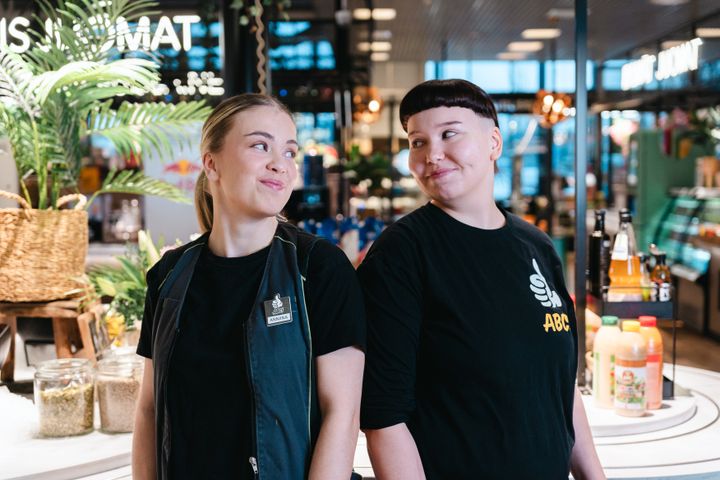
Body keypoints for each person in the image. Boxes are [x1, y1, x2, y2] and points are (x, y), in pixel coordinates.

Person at [358, 79, 605, 480]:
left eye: (449, 134)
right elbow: (384, 418)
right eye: (418, 142)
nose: (432, 155)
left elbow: (560, 388)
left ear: (494, 143)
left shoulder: (537, 247)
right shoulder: (401, 254)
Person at [132, 94, 366, 480]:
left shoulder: (318, 268)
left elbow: (342, 415)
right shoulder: (170, 276)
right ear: (212, 163)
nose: (280, 163)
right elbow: (148, 409)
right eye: (260, 146)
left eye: (289, 152)